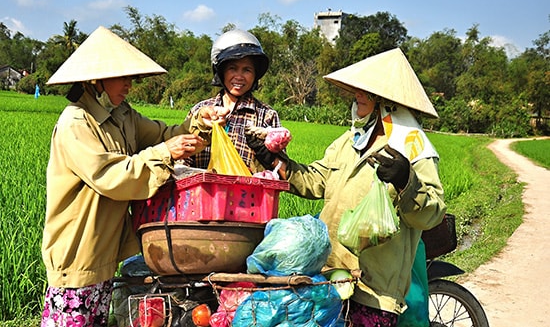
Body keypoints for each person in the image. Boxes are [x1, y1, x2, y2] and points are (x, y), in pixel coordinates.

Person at [246, 48, 447, 327]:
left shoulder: (413, 148)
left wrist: (405, 182)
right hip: (330, 277)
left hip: (373, 289)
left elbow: (431, 213)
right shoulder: (350, 140)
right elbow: (316, 180)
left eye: (366, 92)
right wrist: (278, 163)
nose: (357, 96)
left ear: (386, 103)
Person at [41, 26, 223, 327]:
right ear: (95, 79)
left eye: (131, 77)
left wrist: (199, 123)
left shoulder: (123, 115)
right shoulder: (77, 122)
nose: (129, 84)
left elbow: (164, 134)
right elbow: (111, 176)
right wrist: (166, 152)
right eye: (122, 76)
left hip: (104, 251)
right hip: (77, 252)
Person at [185, 29, 281, 173]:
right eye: (232, 68)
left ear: (255, 75)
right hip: (204, 194)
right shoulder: (200, 111)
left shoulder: (266, 115)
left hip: (247, 194)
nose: (239, 76)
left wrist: (265, 158)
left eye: (247, 70)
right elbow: (183, 158)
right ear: (221, 72)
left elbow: (279, 169)